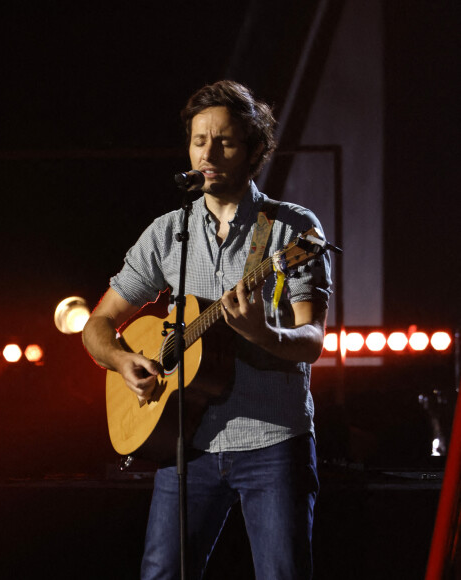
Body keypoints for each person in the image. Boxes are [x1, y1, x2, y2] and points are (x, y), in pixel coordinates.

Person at [82, 80, 332, 580]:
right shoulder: (168, 231)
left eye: (226, 142)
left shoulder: (290, 232)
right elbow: (98, 324)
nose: (208, 154)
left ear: (255, 149)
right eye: (199, 141)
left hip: (272, 441)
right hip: (186, 444)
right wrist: (121, 359)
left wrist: (264, 333)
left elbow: (312, 341)